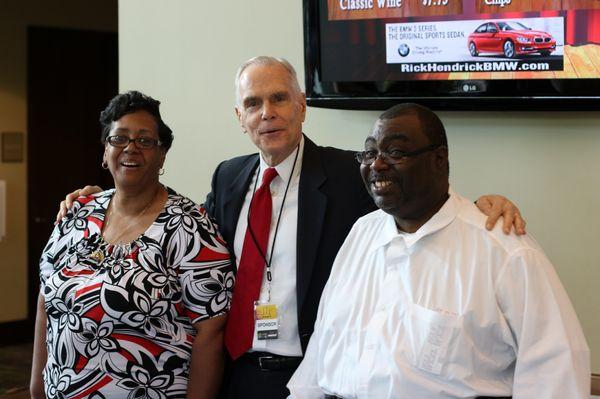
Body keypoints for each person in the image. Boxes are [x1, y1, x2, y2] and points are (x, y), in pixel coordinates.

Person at [56, 57, 525, 399]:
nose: (267, 112)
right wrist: (98, 201)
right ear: (240, 119)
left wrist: (483, 202)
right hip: (234, 371)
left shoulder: (349, 174)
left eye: (279, 98)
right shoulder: (228, 176)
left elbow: (414, 199)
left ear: (302, 106)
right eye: (253, 103)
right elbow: (177, 226)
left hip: (313, 372)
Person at [287, 103, 590, 399]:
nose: (377, 164)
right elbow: (322, 350)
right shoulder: (360, 234)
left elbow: (555, 372)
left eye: (395, 153)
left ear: (439, 159)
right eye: (370, 152)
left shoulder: (504, 251)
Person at [31, 91, 235, 399]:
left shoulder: (191, 228)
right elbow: (46, 301)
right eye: (119, 138)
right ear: (105, 150)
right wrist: (36, 387)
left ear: (162, 154)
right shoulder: (76, 214)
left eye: (145, 140)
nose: (131, 148)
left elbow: (211, 333)